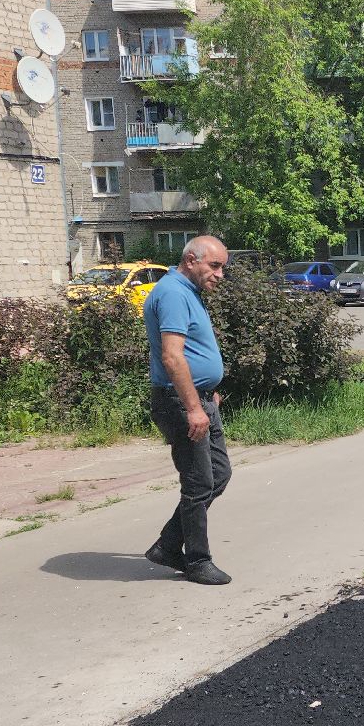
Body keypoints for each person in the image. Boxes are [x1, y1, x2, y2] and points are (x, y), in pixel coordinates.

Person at [142, 235, 234, 585]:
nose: (219, 274)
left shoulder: (187, 292)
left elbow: (192, 353)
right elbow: (172, 356)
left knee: (219, 474)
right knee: (198, 483)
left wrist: (207, 393)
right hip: (181, 403)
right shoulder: (173, 294)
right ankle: (196, 560)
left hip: (200, 398)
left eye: (222, 267)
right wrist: (195, 407)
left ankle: (167, 546)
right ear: (191, 259)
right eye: (214, 266)